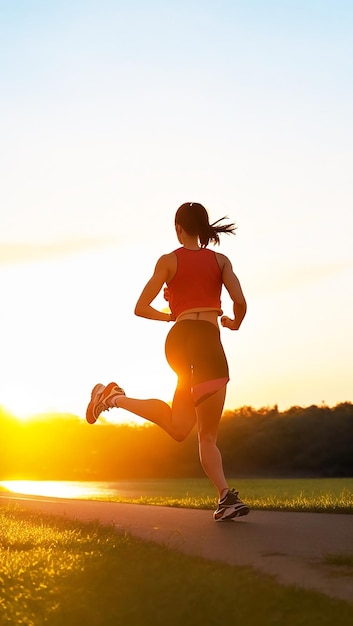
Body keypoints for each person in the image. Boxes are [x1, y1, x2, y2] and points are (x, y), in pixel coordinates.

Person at [86, 202, 249, 521]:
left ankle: (113, 398)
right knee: (207, 436)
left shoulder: (169, 260)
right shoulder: (221, 261)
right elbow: (239, 302)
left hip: (180, 339)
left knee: (179, 427)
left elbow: (141, 307)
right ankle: (225, 496)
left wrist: (172, 316)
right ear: (203, 228)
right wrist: (234, 323)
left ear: (178, 228)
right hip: (209, 342)